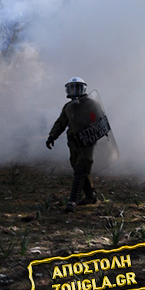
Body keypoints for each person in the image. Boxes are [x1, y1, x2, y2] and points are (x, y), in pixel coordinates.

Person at [46, 77, 101, 213]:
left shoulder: (91, 104)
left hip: (87, 142)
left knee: (80, 170)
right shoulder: (68, 107)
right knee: (79, 168)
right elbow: (61, 123)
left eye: (78, 88)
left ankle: (72, 201)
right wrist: (52, 136)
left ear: (83, 89)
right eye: (73, 88)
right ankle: (90, 196)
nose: (75, 91)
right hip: (73, 143)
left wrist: (92, 130)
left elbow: (99, 120)